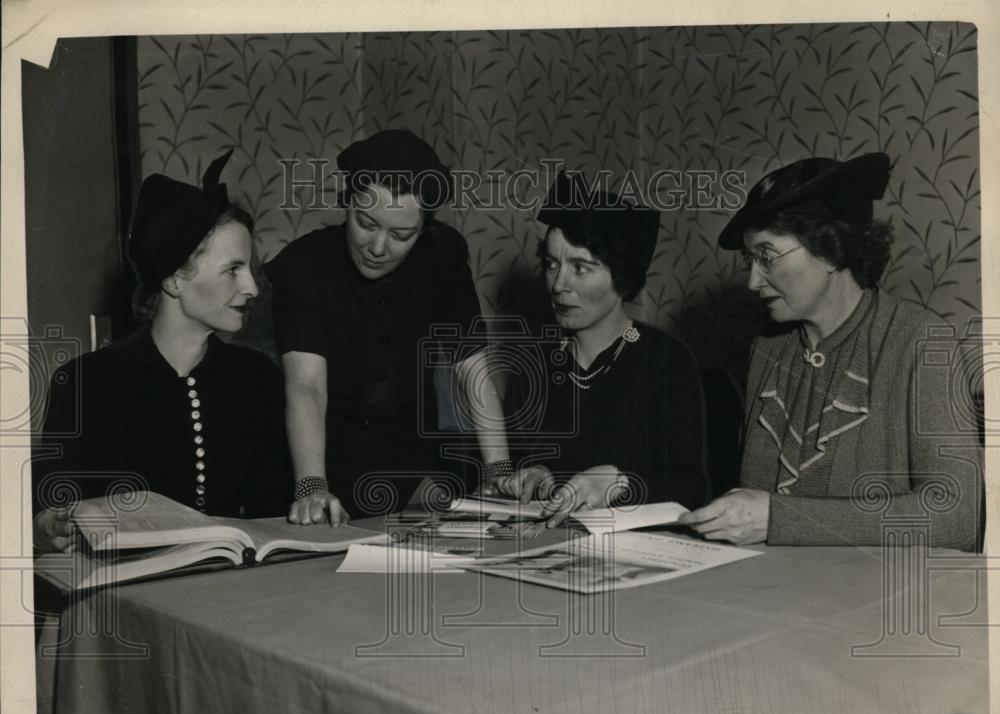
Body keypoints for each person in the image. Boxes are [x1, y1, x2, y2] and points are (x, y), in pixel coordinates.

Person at [677, 153, 982, 550]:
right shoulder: (768, 347)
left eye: (766, 257)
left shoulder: (922, 340)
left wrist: (780, 519)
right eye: (750, 261)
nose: (752, 281)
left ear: (831, 249)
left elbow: (958, 519)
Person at [33, 150, 293, 552]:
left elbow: (272, 513)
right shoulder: (85, 382)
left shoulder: (256, 378)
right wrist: (51, 526)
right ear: (173, 279)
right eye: (233, 270)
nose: (252, 288)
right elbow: (49, 513)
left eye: (250, 269)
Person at [264, 129, 506, 524]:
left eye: (400, 235)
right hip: (322, 460)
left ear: (423, 229)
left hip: (414, 466)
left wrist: (500, 470)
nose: (378, 247)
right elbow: (307, 387)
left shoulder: (443, 259)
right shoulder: (304, 266)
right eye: (366, 223)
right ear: (347, 205)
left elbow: (473, 369)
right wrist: (312, 487)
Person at [489, 172, 709, 525]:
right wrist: (533, 476)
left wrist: (617, 485)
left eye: (581, 267)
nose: (559, 285)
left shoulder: (666, 359)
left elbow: (688, 488)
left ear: (622, 278)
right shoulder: (535, 361)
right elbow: (520, 463)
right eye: (551, 264)